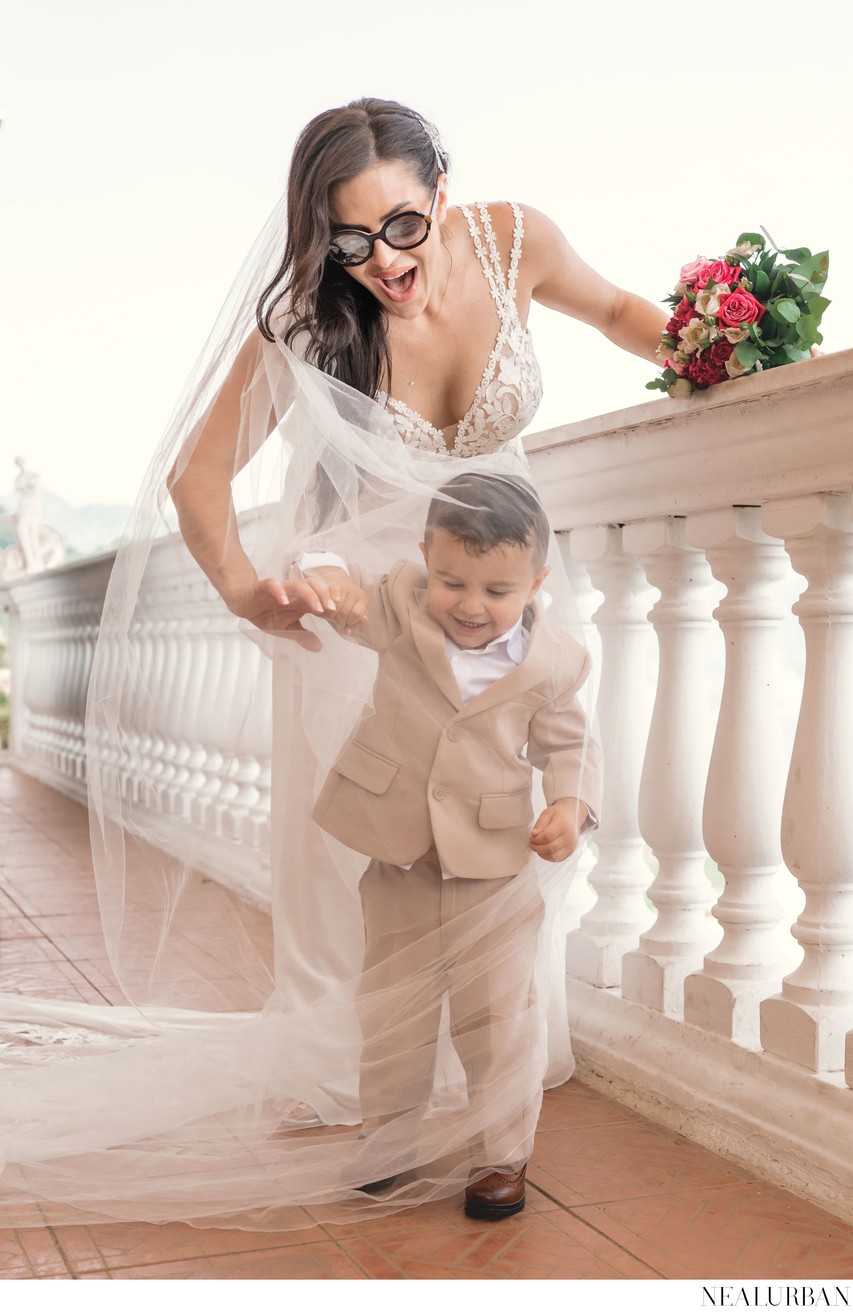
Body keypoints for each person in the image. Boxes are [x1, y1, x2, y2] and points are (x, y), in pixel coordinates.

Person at [0, 97, 663, 1232]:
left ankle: (490, 1108)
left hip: (506, 616)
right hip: (365, 632)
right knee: (381, 877)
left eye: (401, 228)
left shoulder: (517, 242)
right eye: (348, 243)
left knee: (512, 854)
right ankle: (385, 1104)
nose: (380, 265)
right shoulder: (310, 320)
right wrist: (251, 597)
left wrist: (723, 344)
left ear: (441, 191)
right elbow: (195, 483)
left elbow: (613, 311)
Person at [284, 470, 602, 1218]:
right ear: (426, 557)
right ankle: (388, 1138)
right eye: (451, 582)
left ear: (535, 582)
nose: (469, 606)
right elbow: (341, 582)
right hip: (395, 852)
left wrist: (570, 804)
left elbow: (572, 745)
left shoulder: (555, 661)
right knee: (391, 1008)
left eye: (496, 591)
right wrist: (325, 573)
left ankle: (500, 1155)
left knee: (497, 1017)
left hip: (492, 866)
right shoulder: (399, 602)